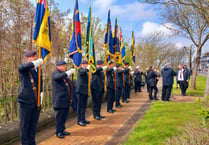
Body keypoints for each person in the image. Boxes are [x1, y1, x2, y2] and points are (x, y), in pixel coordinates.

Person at [17, 50, 43, 145]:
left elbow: (40, 83)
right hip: (25, 101)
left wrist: (41, 94)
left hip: (36, 101)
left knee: (33, 125)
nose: (35, 57)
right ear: (27, 59)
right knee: (25, 126)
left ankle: (32, 142)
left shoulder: (38, 69)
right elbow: (24, 66)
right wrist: (35, 63)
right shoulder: (23, 68)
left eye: (35, 56)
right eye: (32, 57)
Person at [51, 60, 75, 138]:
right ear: (58, 67)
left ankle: (62, 129)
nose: (64, 67)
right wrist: (68, 72)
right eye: (62, 66)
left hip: (66, 100)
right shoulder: (56, 74)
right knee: (59, 117)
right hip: (59, 101)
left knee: (64, 116)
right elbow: (58, 77)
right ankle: (58, 132)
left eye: (64, 65)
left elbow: (70, 84)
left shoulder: (64, 75)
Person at [76, 60, 90, 126]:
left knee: (84, 106)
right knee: (80, 106)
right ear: (82, 64)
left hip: (84, 91)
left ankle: (83, 118)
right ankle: (79, 120)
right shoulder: (80, 70)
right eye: (84, 64)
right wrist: (87, 69)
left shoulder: (85, 71)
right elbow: (82, 72)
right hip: (80, 91)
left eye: (86, 64)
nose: (85, 65)